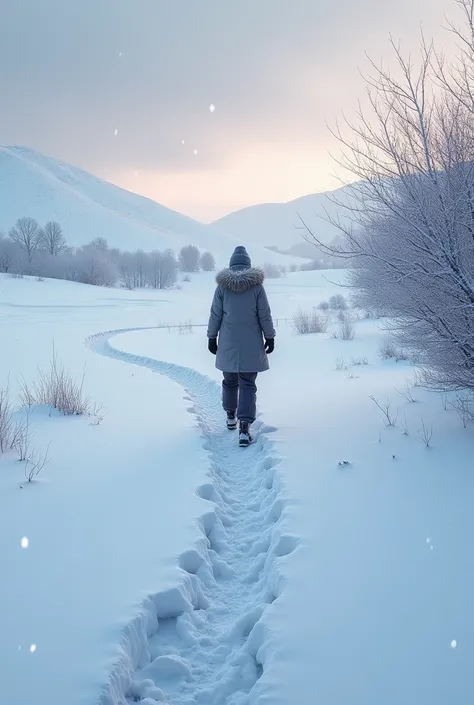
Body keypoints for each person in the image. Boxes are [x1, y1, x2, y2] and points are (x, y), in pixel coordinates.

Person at [207, 246, 276, 446]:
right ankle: (244, 427)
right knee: (247, 384)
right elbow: (265, 315)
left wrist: (212, 337)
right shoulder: (257, 287)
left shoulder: (222, 288)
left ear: (231, 265)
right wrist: (269, 336)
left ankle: (230, 415)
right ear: (248, 265)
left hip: (228, 343)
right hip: (251, 344)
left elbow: (215, 315)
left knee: (229, 381)